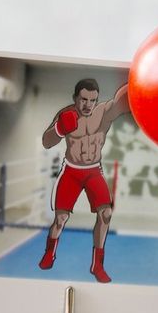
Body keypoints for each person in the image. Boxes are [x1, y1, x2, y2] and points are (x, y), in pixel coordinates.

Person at [38, 79, 129, 283]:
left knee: (105, 213)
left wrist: (139, 84)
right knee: (60, 219)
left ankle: (97, 265)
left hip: (93, 171)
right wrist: (60, 130)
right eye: (84, 100)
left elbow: (121, 102)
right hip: (71, 171)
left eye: (93, 100)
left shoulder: (103, 113)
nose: (88, 105)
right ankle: (49, 253)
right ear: (75, 98)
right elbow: (46, 142)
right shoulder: (66, 114)